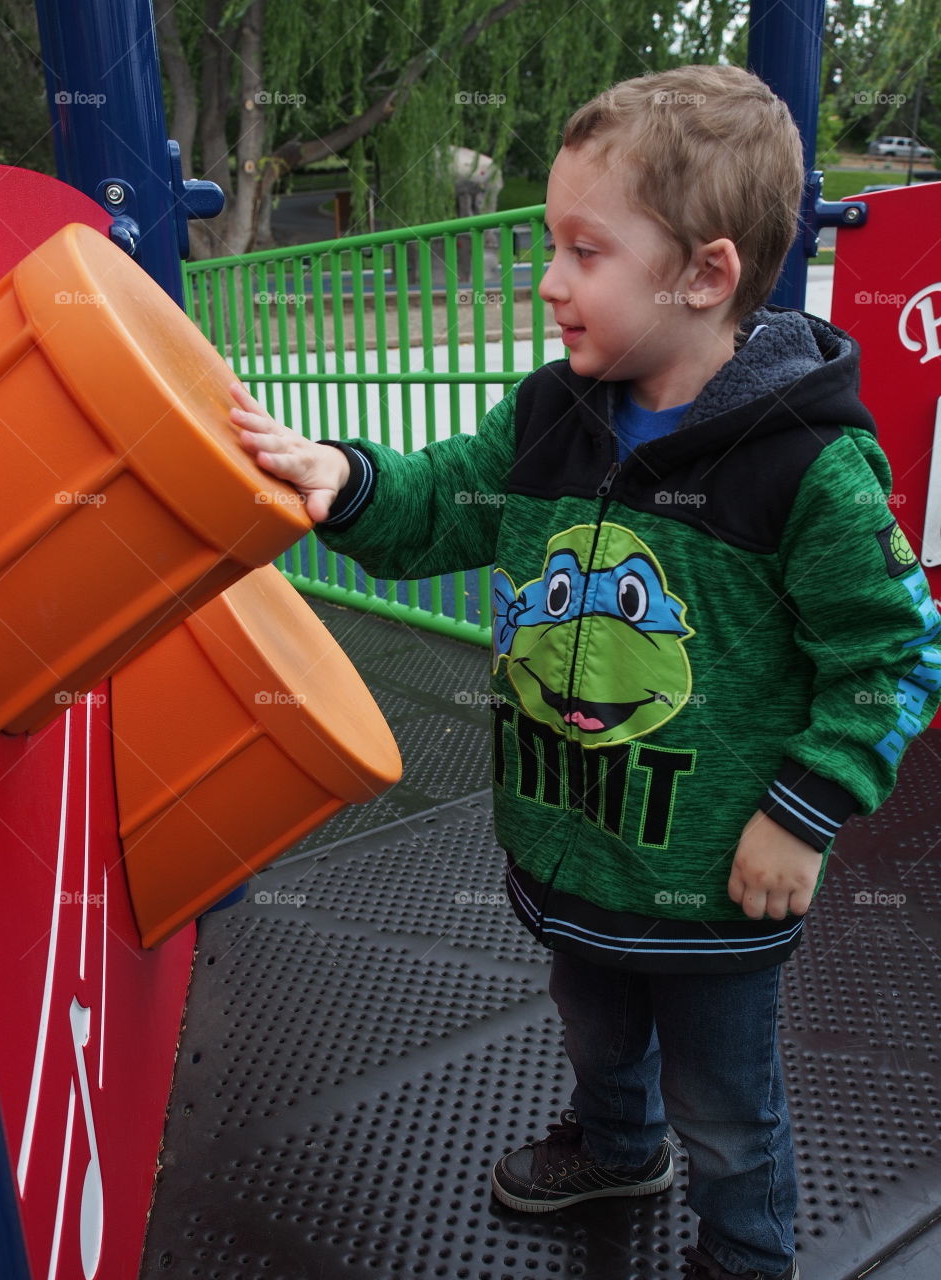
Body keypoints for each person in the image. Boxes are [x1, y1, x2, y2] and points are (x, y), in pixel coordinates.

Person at [229, 63, 941, 1280]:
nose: (549, 281)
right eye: (550, 245)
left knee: (727, 1095)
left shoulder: (806, 469)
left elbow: (892, 650)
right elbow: (446, 502)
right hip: (575, 845)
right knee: (595, 1024)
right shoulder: (555, 414)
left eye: (584, 251)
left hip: (718, 877)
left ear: (706, 274)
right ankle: (618, 1142)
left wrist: (802, 810)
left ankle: (745, 1247)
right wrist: (346, 478)